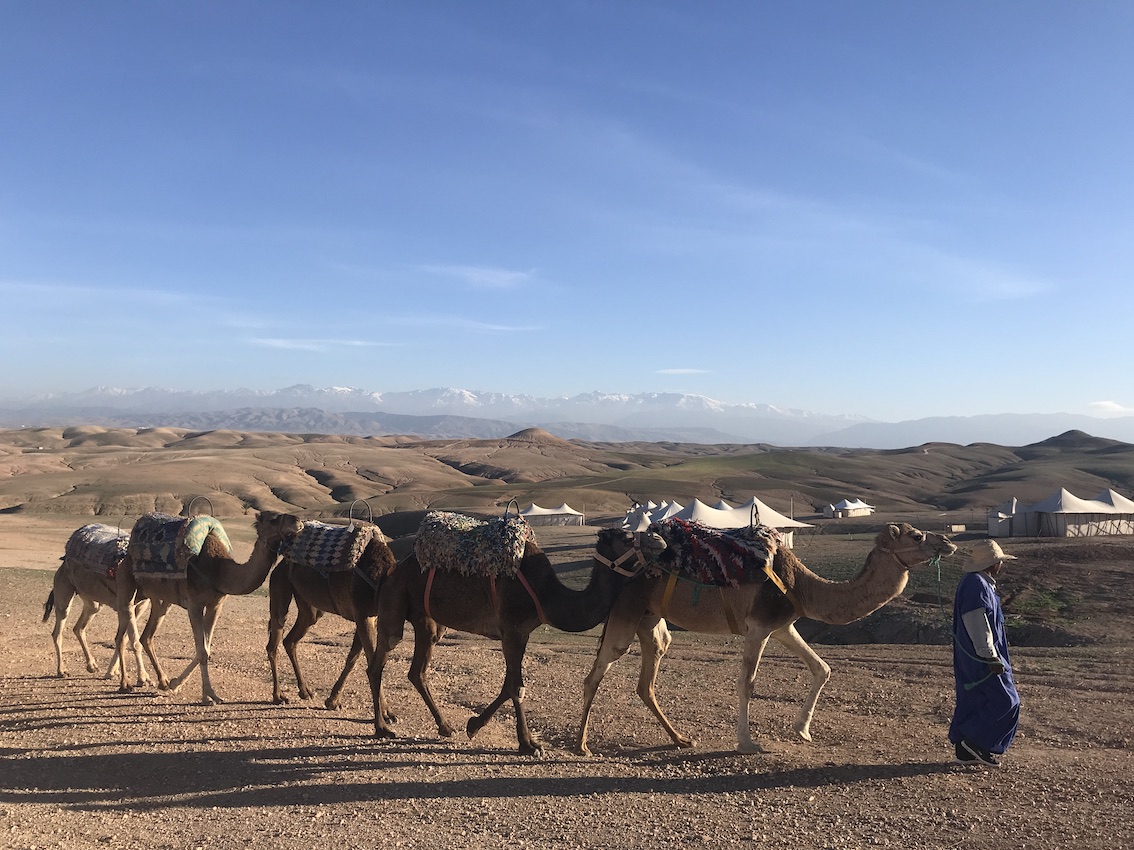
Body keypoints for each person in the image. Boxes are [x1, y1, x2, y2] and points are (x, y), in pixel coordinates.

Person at [949, 539, 1021, 768]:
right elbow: (977, 622)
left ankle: (966, 749)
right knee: (1006, 700)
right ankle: (975, 741)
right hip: (981, 657)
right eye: (999, 561)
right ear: (993, 564)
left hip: (977, 655)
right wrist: (990, 656)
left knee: (977, 699)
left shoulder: (978, 583)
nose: (1001, 566)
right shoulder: (976, 585)